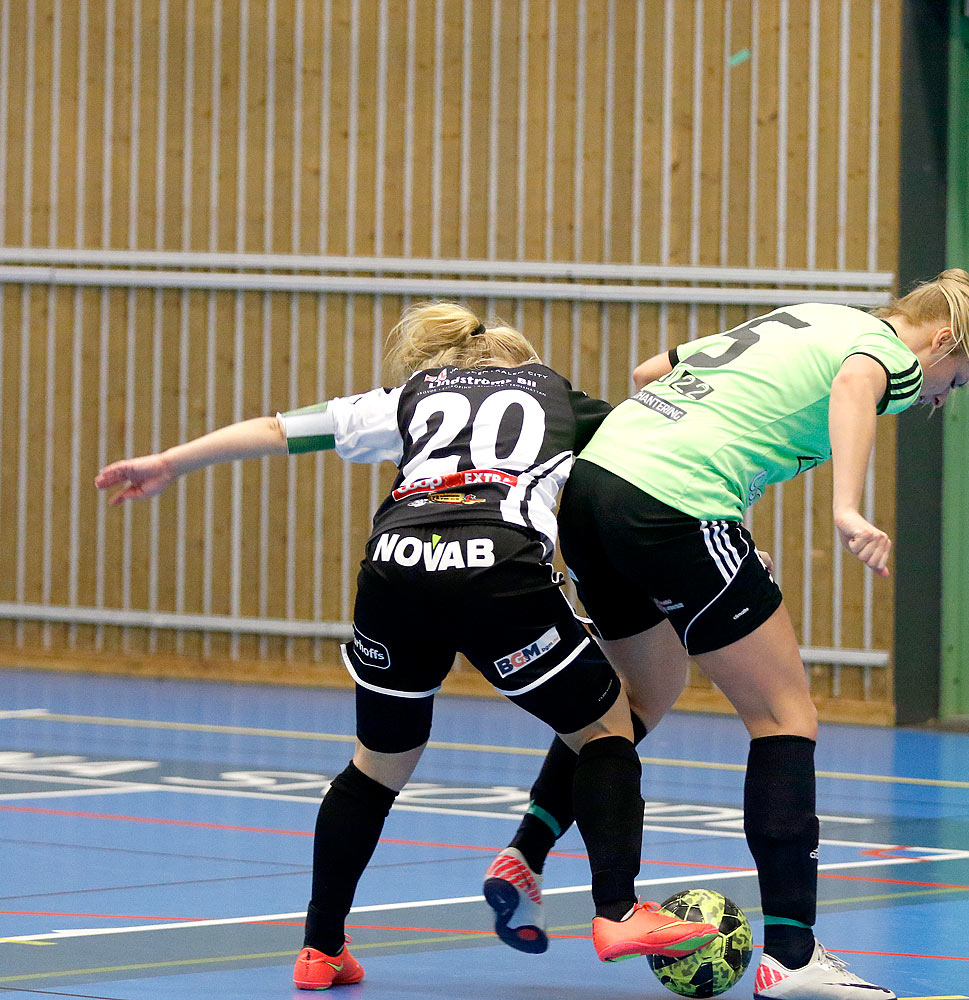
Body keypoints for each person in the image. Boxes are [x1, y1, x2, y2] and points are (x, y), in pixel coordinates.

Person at [94, 301, 719, 991]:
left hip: (392, 571)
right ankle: (617, 910)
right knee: (603, 728)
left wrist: (170, 461)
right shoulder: (554, 392)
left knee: (376, 767)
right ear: (520, 359)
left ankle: (320, 947)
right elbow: (655, 467)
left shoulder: (411, 395)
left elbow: (280, 430)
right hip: (496, 563)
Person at [481, 269, 969, 1000]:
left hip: (597, 487)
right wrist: (847, 510)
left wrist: (701, 514)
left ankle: (527, 852)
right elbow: (858, 386)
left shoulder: (813, 317)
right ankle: (792, 958)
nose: (940, 397)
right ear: (944, 339)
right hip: (674, 502)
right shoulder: (885, 349)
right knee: (785, 716)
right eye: (954, 381)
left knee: (642, 692)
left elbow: (652, 372)